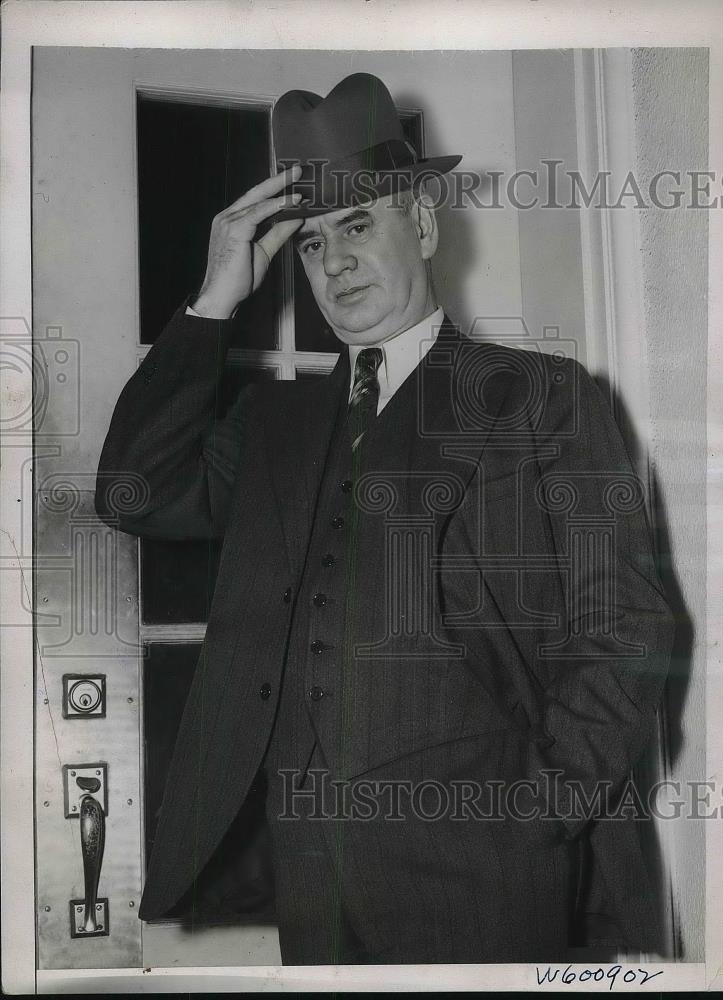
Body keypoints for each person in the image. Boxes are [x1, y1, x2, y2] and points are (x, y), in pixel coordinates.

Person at [95, 72, 675, 964]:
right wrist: (214, 298)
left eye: (359, 225)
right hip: (312, 887)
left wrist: (538, 815)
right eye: (312, 242)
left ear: (426, 225)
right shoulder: (272, 426)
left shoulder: (537, 398)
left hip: (490, 880)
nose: (332, 262)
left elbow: (626, 627)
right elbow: (131, 492)